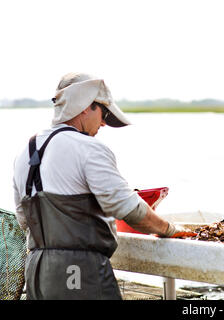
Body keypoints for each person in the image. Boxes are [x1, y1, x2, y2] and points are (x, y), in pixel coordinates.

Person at [13, 72, 194, 300]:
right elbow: (130, 210)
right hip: (79, 271)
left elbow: (23, 219)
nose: (103, 123)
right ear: (86, 106)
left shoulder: (26, 152)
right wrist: (170, 229)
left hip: (37, 272)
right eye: (104, 114)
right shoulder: (88, 148)